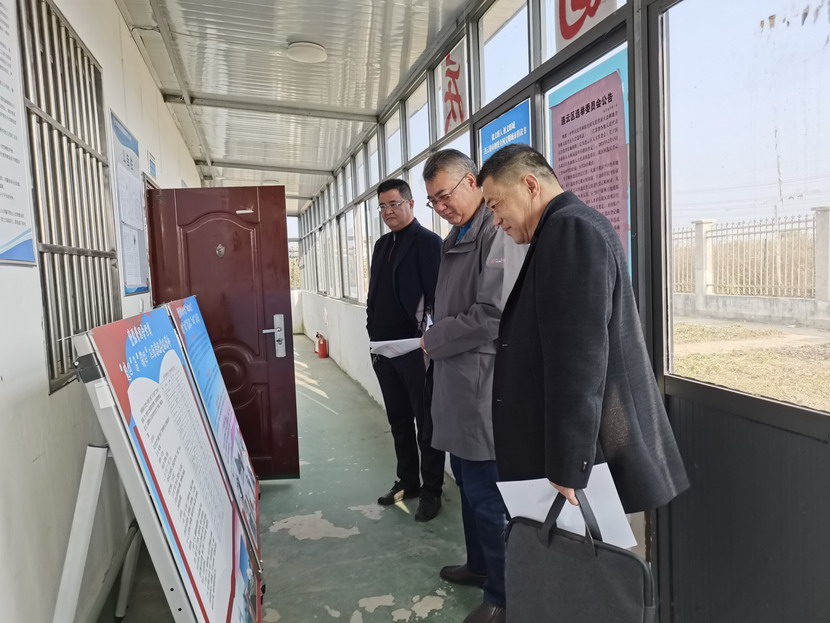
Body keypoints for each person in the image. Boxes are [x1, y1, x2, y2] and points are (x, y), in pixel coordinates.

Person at [478, 143, 689, 515]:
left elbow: (578, 358)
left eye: (495, 205)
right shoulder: (569, 226)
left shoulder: (569, 229)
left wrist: (569, 464)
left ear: (530, 185)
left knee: (586, 549)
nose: (495, 220)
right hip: (584, 453)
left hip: (588, 459)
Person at [421, 149, 510, 623]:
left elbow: (491, 315)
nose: (440, 208)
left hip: (480, 385)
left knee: (487, 496)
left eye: (444, 196)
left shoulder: (494, 233)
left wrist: (434, 338)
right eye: (433, 201)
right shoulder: (454, 238)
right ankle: (478, 566)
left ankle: (503, 595)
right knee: (467, 483)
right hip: (455, 380)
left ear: (471, 182)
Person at [367, 178, 445, 522]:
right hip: (382, 348)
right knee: (398, 419)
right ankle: (408, 481)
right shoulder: (382, 245)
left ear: (411, 204)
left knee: (426, 423)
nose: (388, 211)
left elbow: (438, 298)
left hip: (415, 348)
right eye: (382, 206)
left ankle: (432, 490)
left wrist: (430, 339)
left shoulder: (428, 243)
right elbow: (374, 292)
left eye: (394, 204)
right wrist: (371, 328)